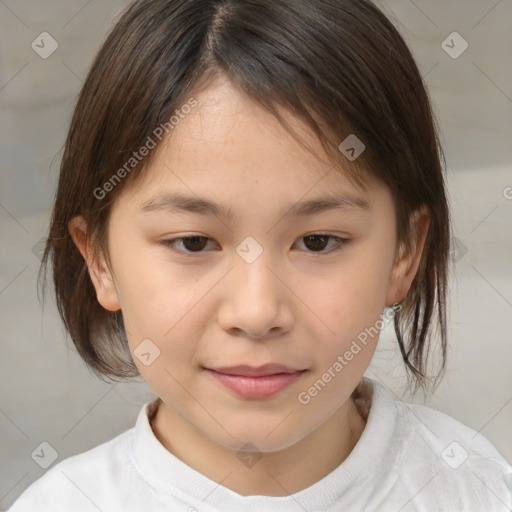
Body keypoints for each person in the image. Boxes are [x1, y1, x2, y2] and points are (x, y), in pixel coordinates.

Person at [8, 0, 512, 510]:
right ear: (100, 260)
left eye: (318, 241)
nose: (256, 313)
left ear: (405, 252)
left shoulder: (478, 492)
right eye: (193, 242)